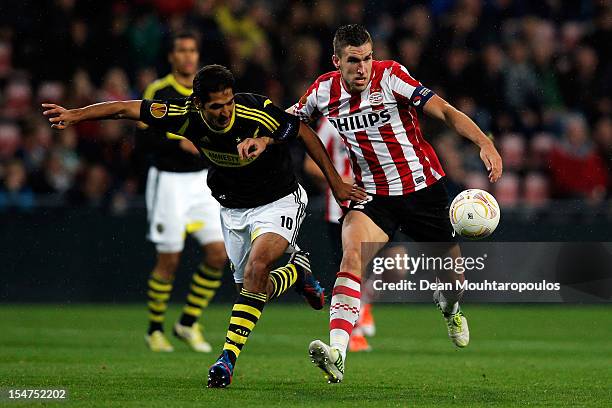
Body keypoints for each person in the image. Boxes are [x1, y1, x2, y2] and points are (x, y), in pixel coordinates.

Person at [42, 64, 367, 388]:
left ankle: (226, 359)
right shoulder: (184, 115)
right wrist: (76, 115)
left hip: (278, 199)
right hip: (232, 208)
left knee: (257, 268)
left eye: (228, 102)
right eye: (216, 106)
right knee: (252, 290)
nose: (225, 111)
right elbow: (126, 109)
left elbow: (301, 131)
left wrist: (335, 183)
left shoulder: (255, 110)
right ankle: (298, 273)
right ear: (198, 104)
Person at [290, 24, 502, 383]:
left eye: (367, 58)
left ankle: (450, 310)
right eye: (354, 61)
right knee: (351, 258)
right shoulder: (322, 91)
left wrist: (484, 142)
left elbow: (446, 111)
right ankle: (338, 351)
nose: (363, 68)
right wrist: (260, 142)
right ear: (336, 61)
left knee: (453, 282)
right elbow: (289, 122)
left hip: (423, 190)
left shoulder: (391, 76)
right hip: (373, 197)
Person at [136, 32, 228, 353]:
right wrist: (178, 139)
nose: (188, 56)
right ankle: (154, 330)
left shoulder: (208, 93)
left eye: (192, 50)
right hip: (169, 182)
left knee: (219, 255)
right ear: (172, 57)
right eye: (181, 51)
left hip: (202, 182)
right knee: (169, 260)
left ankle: (187, 323)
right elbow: (143, 141)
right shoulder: (159, 91)